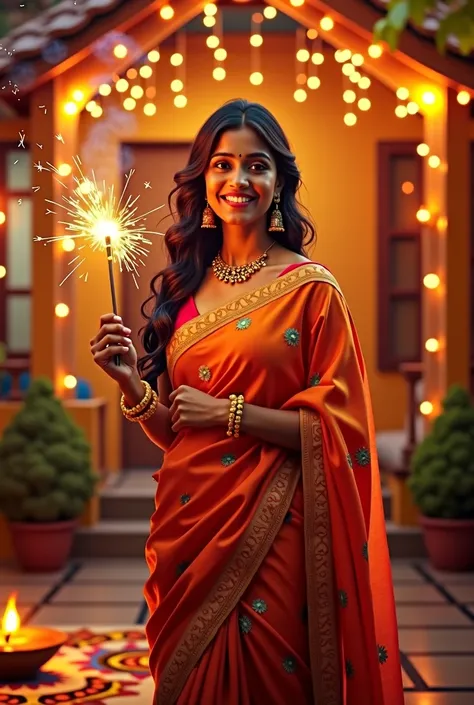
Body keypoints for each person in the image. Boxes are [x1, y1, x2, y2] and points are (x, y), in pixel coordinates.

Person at [90, 99, 404, 705]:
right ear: (202, 179)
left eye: (256, 166)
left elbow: (344, 431)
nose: (239, 181)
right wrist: (132, 384)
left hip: (276, 528)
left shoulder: (311, 290)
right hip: (188, 530)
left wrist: (230, 413)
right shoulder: (185, 288)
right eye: (222, 165)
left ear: (280, 182)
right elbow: (180, 432)